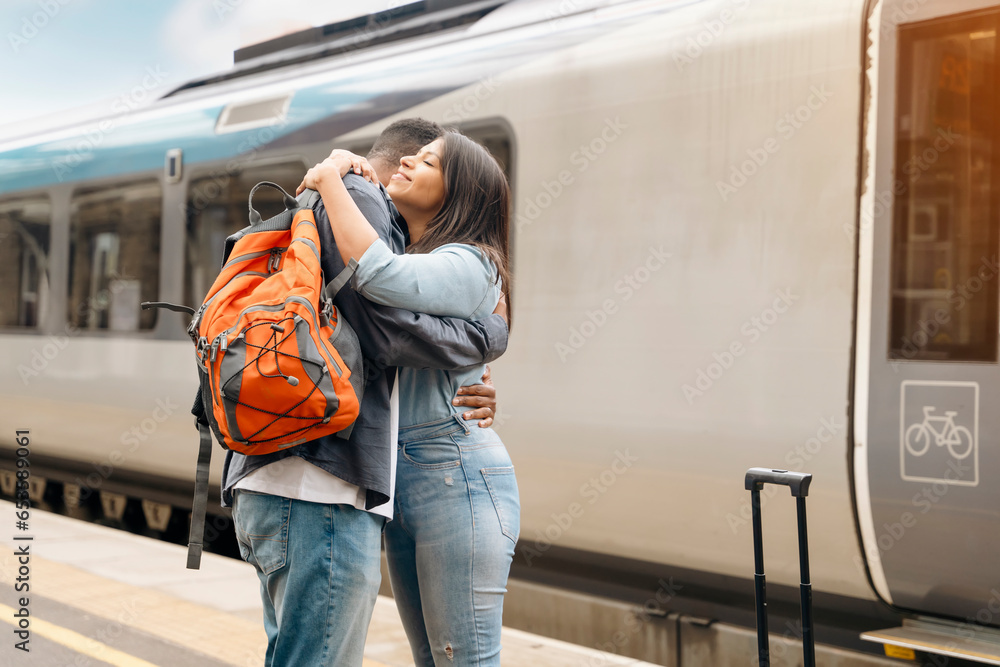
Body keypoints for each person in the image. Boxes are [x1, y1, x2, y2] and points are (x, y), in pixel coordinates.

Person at [224, 119, 509, 667]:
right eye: (417, 157)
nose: (412, 167)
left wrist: (476, 365)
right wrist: (488, 337)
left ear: (458, 193)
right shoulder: (357, 201)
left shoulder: (449, 256)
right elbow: (385, 327)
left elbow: (384, 326)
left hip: (305, 477)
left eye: (431, 163)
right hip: (319, 485)